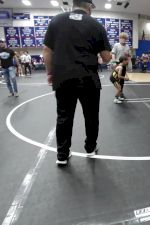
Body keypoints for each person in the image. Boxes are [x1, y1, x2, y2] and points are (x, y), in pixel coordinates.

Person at [43, 0, 112, 166]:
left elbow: (46, 50)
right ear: (89, 7)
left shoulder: (56, 21)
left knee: (64, 116)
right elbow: (106, 57)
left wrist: (50, 73)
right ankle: (90, 148)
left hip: (63, 77)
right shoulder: (96, 25)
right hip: (88, 78)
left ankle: (62, 155)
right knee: (91, 116)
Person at [111, 32, 131, 99]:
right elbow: (113, 54)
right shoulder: (116, 45)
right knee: (117, 79)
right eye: (122, 38)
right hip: (117, 64)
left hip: (124, 64)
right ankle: (119, 93)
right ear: (119, 38)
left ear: (126, 39)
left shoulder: (127, 46)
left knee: (122, 80)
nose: (123, 40)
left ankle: (121, 92)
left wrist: (129, 64)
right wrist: (113, 62)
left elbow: (128, 56)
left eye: (124, 38)